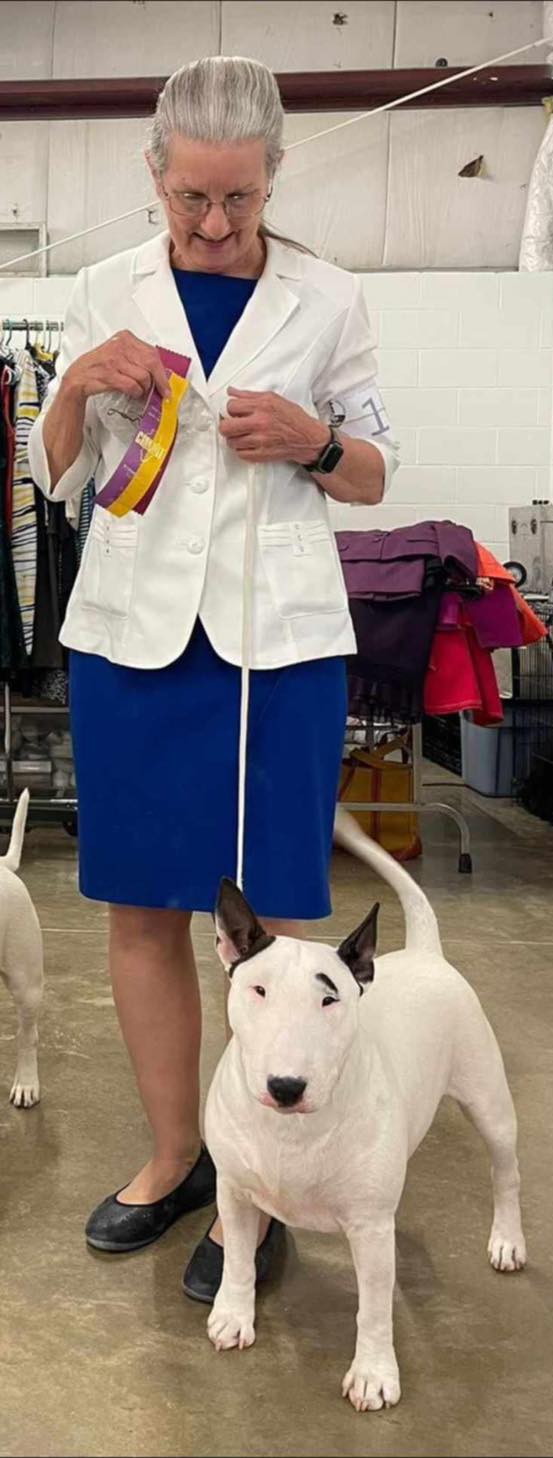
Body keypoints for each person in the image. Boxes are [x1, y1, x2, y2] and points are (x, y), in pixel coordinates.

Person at [28, 54, 398, 1303]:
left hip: (276, 651)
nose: (215, 223)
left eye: (239, 198)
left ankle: (270, 1183)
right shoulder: (103, 289)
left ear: (274, 177)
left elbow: (375, 471)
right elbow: (56, 473)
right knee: (141, 910)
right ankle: (179, 1157)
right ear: (155, 175)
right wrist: (80, 381)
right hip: (132, 641)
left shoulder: (329, 298)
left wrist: (315, 442)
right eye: (191, 197)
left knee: (277, 927)